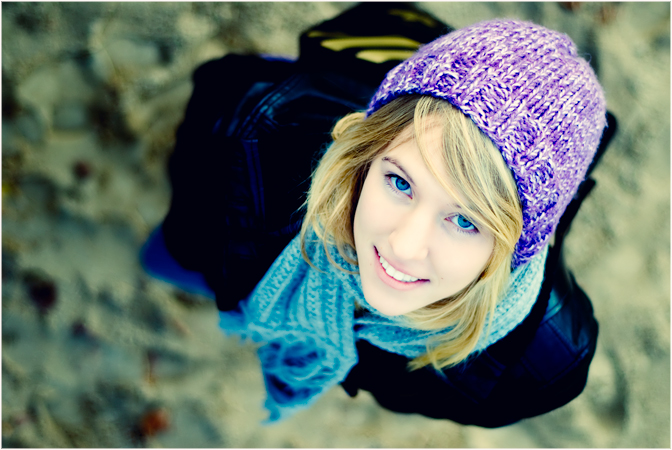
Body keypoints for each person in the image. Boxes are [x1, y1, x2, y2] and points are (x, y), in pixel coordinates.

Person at [141, 4, 617, 427]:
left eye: (466, 220)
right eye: (400, 183)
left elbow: (418, 399)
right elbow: (215, 97)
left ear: (518, 248)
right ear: (365, 155)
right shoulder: (263, 137)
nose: (403, 246)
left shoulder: (534, 366)